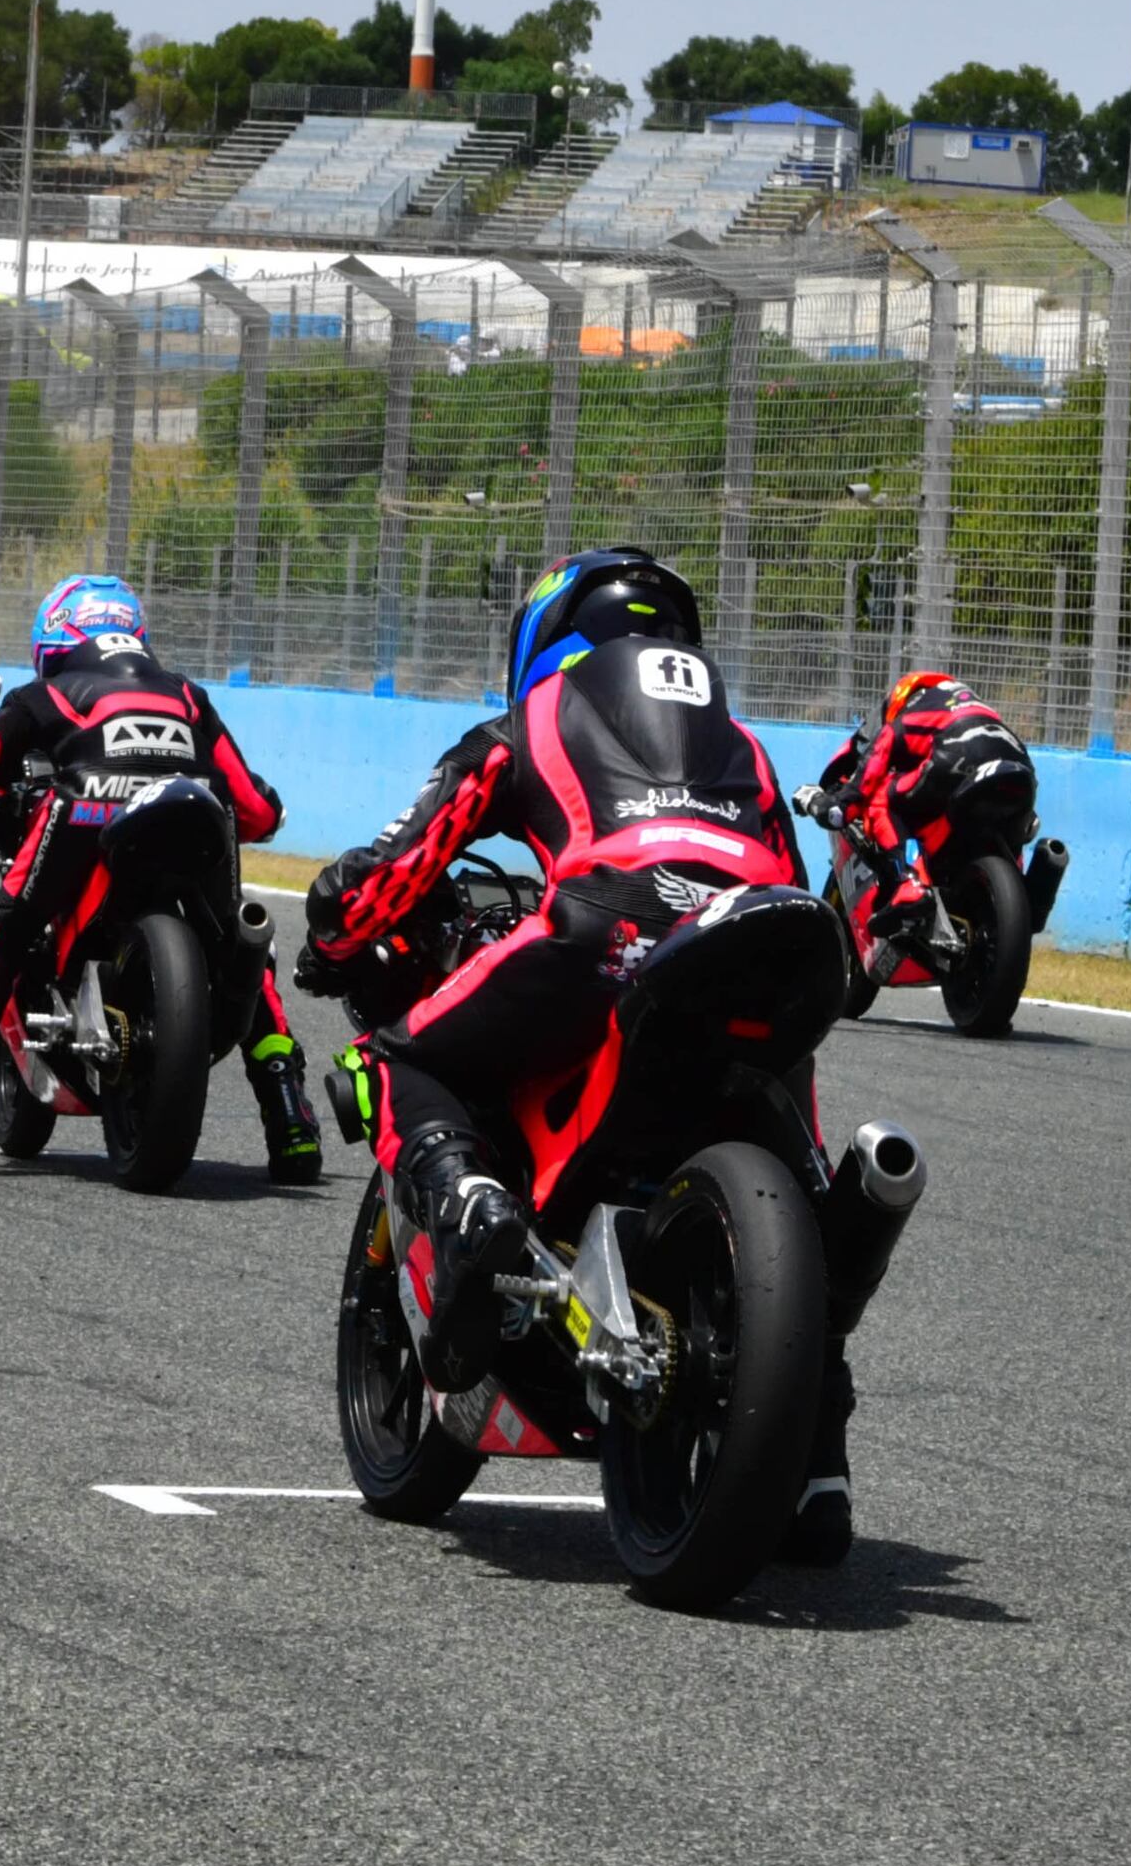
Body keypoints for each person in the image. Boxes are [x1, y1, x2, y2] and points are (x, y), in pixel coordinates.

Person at [302, 548, 807, 1393]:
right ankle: (819, 1438)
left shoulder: (536, 711)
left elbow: (397, 868)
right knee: (804, 1150)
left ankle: (467, 1202)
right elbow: (793, 885)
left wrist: (332, 927)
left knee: (400, 1055)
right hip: (763, 949)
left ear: (548, 634)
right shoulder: (746, 744)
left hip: (606, 927)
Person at [0, 573, 318, 1179]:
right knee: (239, 950)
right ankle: (291, 1122)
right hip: (196, 808)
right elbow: (258, 810)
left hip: (84, 809)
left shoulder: (46, 693)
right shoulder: (187, 694)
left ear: (56, 636)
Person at [808, 665, 1020, 889]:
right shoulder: (978, 708)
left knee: (882, 799)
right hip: (1017, 768)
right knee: (1008, 829)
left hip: (956, 758)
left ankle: (910, 886)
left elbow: (874, 766)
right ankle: (1032, 891)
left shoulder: (914, 710)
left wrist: (843, 805)